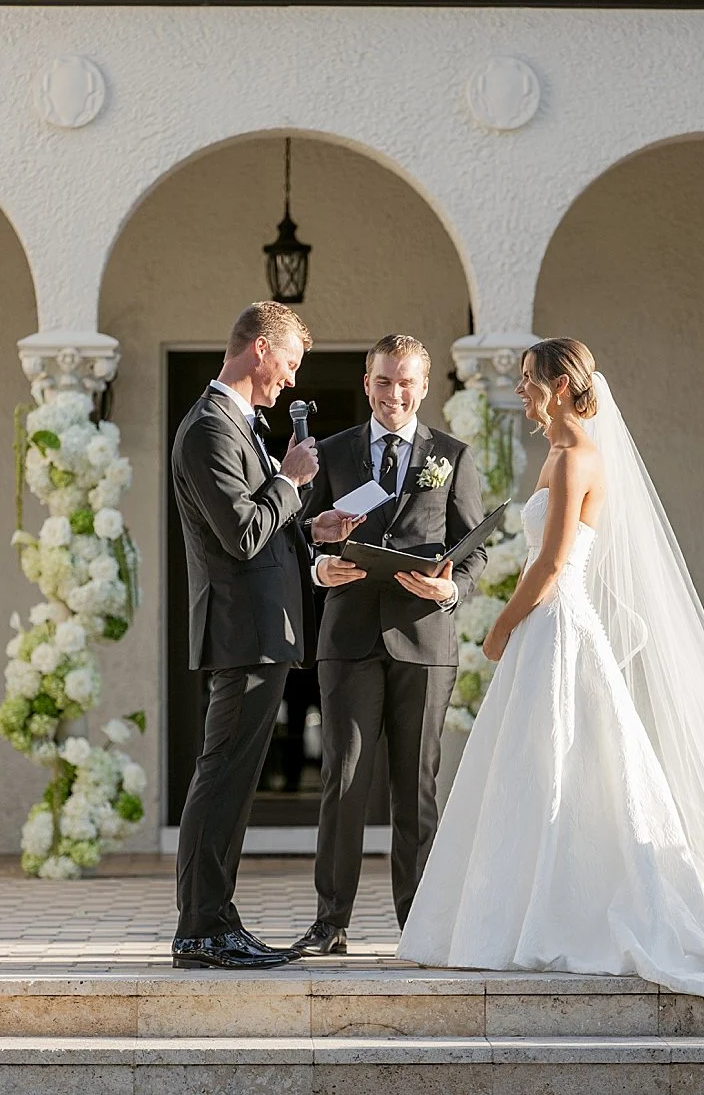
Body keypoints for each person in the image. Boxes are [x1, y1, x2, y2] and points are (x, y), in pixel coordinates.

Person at [398, 339, 704, 1001]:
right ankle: (508, 917)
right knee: (528, 767)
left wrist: (498, 626)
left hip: (558, 625)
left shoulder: (579, 454)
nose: (521, 389)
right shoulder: (555, 453)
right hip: (544, 625)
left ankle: (558, 917)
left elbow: (554, 564)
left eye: (528, 379)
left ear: (558, 384)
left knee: (559, 764)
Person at [290, 334, 485, 957]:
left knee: (416, 786)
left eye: (406, 383)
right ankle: (330, 922)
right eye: (383, 381)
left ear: (424, 387)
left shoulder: (452, 455)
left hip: (424, 642)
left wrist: (451, 591)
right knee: (342, 780)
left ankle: (419, 925)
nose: (394, 394)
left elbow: (473, 549)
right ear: (367, 381)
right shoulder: (331, 452)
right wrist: (320, 571)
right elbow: (294, 535)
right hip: (347, 638)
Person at [169, 302, 326, 970]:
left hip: (263, 634)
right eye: (288, 364)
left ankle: (217, 919)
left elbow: (263, 524)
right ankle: (202, 929)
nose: (289, 381)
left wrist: (314, 525)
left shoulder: (239, 424)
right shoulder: (209, 428)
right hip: (241, 634)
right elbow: (240, 534)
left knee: (231, 781)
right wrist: (289, 480)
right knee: (222, 778)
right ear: (260, 348)